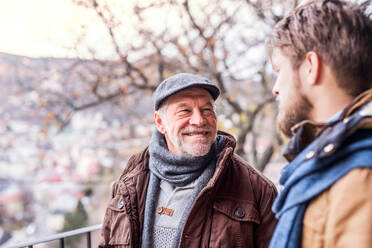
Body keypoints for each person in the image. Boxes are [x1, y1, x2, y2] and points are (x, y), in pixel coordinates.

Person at [99, 73, 277, 247]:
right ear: (160, 122)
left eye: (207, 110)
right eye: (185, 111)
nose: (199, 120)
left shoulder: (257, 190)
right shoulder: (129, 184)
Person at [265, 0, 372, 247]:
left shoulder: (360, 177)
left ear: (311, 67)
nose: (275, 88)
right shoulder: (335, 163)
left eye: (279, 70)